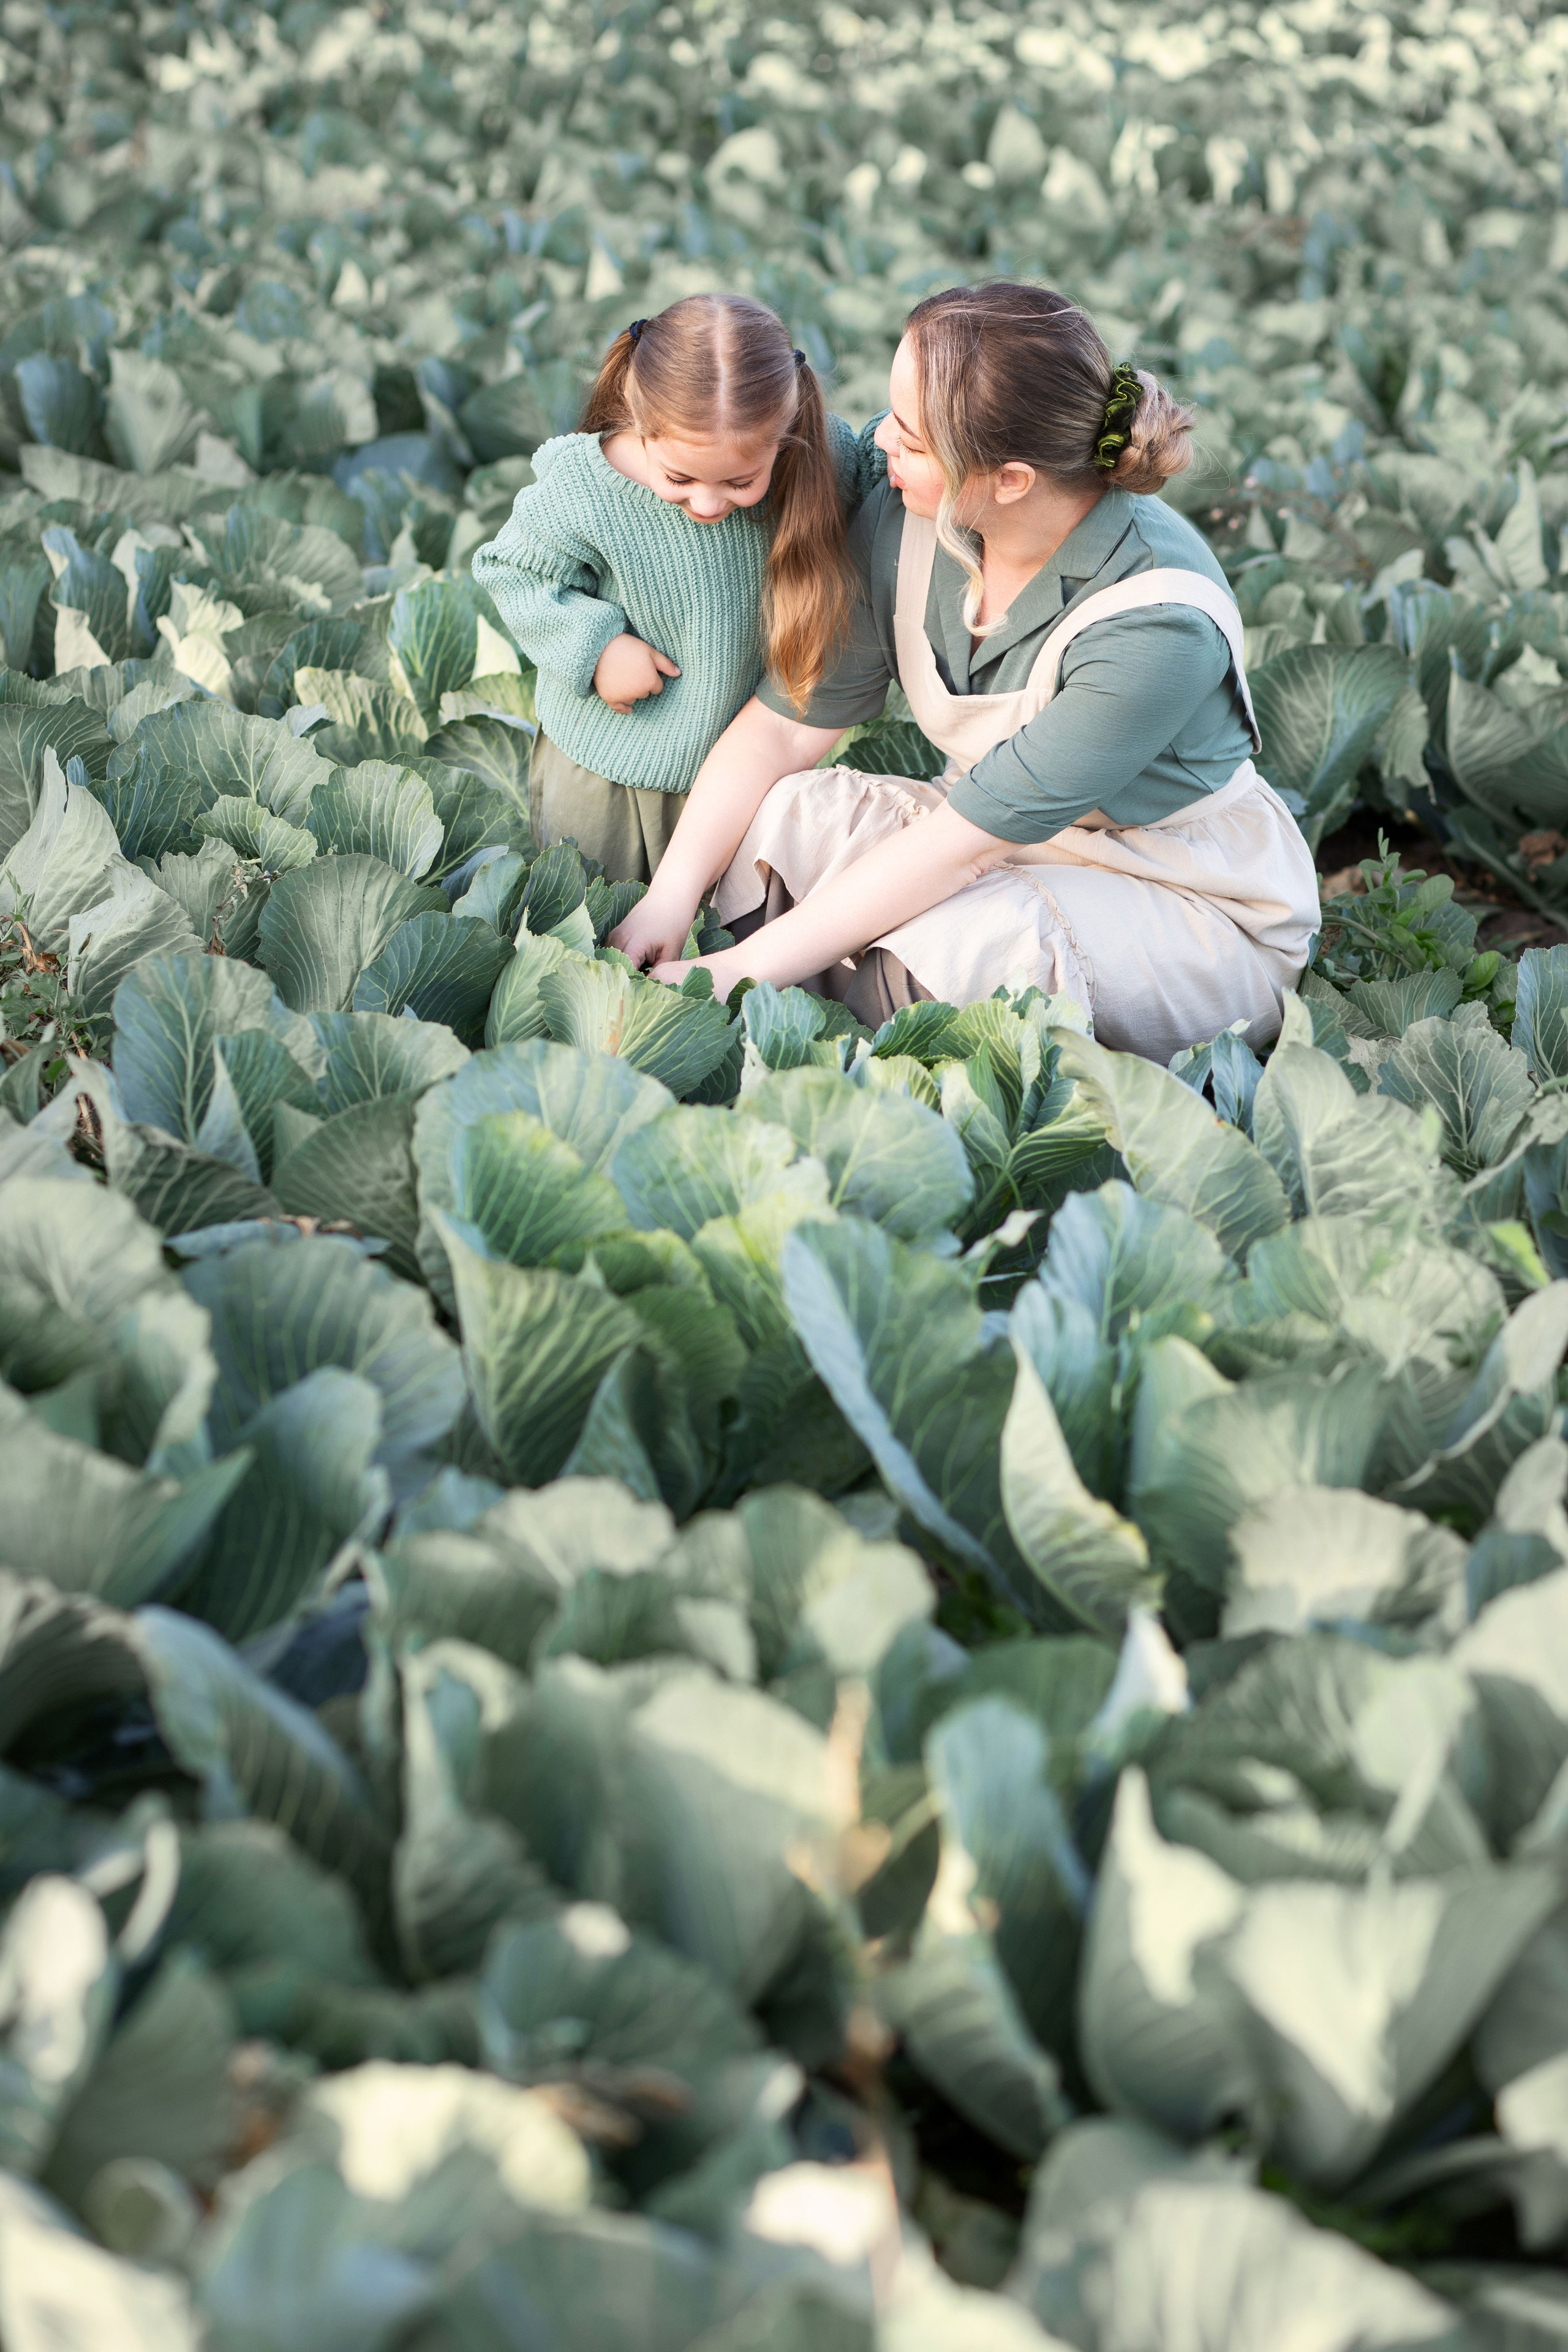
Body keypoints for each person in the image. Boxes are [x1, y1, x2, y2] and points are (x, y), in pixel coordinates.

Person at [609, 282, 1319, 1062]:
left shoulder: (1156, 621)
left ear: (1009, 480)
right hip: (994, 839)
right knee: (785, 816)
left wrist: (742, 970)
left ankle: (818, 1029)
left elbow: (960, 848)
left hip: (1182, 892)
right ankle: (843, 1004)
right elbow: (781, 731)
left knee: (988, 940)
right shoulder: (905, 513)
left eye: (911, 440)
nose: (878, 445)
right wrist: (669, 898)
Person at [471, 293, 880, 885]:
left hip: (742, 774)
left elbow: (887, 473)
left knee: (704, 942)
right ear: (640, 423)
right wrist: (597, 647)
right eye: (679, 478)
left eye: (741, 481)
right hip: (607, 771)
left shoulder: (820, 460)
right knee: (596, 929)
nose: (709, 503)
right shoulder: (589, 484)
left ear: (785, 433)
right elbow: (512, 569)